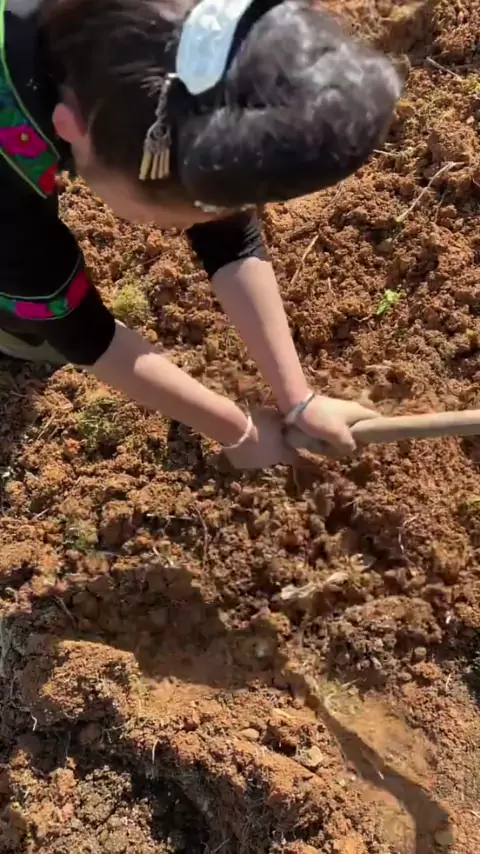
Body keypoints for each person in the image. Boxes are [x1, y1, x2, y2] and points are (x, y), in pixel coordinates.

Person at [0, 0, 402, 469]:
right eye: (167, 216)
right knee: (24, 293)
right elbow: (81, 331)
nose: (176, 229)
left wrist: (298, 399)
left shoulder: (183, 44)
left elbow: (225, 219)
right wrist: (238, 431)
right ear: (69, 127)